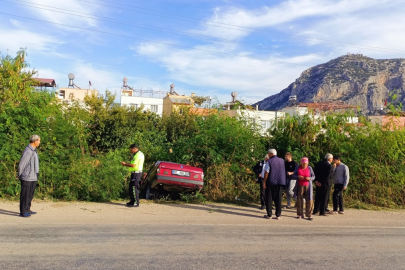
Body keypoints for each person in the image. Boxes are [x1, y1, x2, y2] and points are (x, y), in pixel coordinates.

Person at [18, 135, 41, 218]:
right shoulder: (28, 151)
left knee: (30, 194)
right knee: (25, 194)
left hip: (33, 176)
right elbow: (22, 164)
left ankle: (27, 209)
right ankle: (23, 211)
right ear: (35, 141)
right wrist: (19, 174)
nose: (39, 142)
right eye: (39, 140)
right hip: (27, 177)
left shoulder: (34, 150)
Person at [263, 149, 286, 220]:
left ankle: (269, 214)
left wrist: (264, 182)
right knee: (278, 199)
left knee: (269, 198)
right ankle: (278, 215)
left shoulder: (269, 161)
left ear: (271, 154)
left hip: (271, 182)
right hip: (280, 182)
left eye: (269, 154)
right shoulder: (282, 161)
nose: (268, 155)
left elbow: (267, 172)